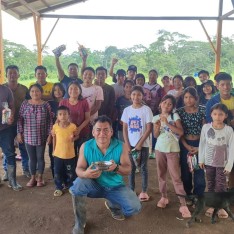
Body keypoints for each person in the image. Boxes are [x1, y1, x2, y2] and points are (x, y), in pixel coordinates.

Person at [69, 116, 141, 234]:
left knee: (134, 208)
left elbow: (128, 169)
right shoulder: (85, 146)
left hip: (115, 186)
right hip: (94, 185)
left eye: (106, 130)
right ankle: (80, 223)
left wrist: (116, 168)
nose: (102, 133)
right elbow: (79, 169)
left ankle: (112, 204)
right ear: (93, 132)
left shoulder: (121, 146)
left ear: (111, 132)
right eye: (98, 130)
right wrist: (86, 173)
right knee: (78, 186)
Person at [152, 94, 191, 218]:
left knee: (176, 177)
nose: (167, 105)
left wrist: (167, 123)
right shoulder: (155, 118)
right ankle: (164, 197)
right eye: (165, 103)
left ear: (173, 107)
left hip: (173, 150)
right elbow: (156, 135)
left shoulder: (175, 116)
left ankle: (183, 204)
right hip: (159, 149)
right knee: (161, 175)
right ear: (160, 104)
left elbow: (180, 132)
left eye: (170, 104)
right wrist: (157, 127)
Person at [199, 103, 234, 219]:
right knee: (210, 184)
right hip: (209, 161)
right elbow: (202, 144)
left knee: (221, 185)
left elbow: (232, 148)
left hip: (222, 163)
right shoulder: (206, 127)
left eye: (221, 114)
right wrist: (201, 159)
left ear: (225, 115)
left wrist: (229, 165)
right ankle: (212, 205)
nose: (217, 117)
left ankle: (221, 207)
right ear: (211, 115)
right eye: (215, 114)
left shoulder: (229, 130)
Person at [17, 84, 53, 187]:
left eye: (37, 91)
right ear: (29, 93)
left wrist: (50, 134)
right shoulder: (25, 104)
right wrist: (19, 133)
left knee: (40, 157)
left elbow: (50, 120)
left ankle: (40, 178)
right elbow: (19, 119)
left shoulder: (46, 105)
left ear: (41, 92)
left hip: (41, 136)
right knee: (31, 158)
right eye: (32, 91)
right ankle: (33, 177)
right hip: (28, 136)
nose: (34, 93)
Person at [121, 86, 153, 201]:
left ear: (142, 96)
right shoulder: (127, 110)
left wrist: (140, 144)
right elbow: (124, 128)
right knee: (131, 168)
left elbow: (149, 128)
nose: (136, 97)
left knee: (143, 167)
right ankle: (131, 190)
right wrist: (127, 144)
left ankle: (144, 191)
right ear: (130, 96)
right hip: (130, 144)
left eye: (139, 95)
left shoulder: (146, 110)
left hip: (143, 145)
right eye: (134, 94)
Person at [206, 72, 234, 189]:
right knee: (221, 165)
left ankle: (231, 189)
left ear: (231, 84)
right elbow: (209, 122)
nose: (226, 87)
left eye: (228, 84)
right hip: (221, 139)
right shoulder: (212, 102)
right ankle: (220, 192)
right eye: (222, 84)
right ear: (217, 86)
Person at [176, 87, 206, 199]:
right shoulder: (179, 112)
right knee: (185, 170)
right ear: (183, 99)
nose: (188, 100)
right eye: (186, 97)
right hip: (185, 143)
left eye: (191, 97)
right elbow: (179, 133)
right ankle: (188, 194)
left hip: (200, 142)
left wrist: (199, 147)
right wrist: (186, 145)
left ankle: (199, 195)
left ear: (196, 98)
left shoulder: (202, 110)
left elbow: (205, 130)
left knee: (199, 169)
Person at [2, 65, 30, 181]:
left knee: (24, 147)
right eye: (10, 73)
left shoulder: (24, 88)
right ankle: (7, 171)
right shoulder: (2, 88)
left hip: (22, 123)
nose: (12, 75)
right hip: (6, 125)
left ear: (18, 75)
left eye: (15, 73)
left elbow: (29, 103)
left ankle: (26, 168)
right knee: (7, 148)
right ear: (6, 75)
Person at [0, 82, 22, 191]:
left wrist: (11, 115)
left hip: (5, 128)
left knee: (10, 154)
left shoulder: (6, 90)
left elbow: (12, 106)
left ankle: (12, 181)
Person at [52, 106, 78, 197]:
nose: (63, 116)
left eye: (65, 114)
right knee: (58, 172)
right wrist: (53, 150)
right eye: (60, 114)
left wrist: (73, 138)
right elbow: (54, 138)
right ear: (57, 116)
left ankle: (71, 186)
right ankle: (59, 187)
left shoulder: (73, 126)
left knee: (71, 172)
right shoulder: (55, 127)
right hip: (58, 155)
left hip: (70, 155)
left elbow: (76, 136)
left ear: (69, 115)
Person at [59, 81, 90, 157]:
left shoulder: (84, 102)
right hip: (68, 134)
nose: (73, 91)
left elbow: (87, 119)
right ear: (67, 90)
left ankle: (81, 168)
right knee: (70, 155)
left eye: (76, 89)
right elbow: (59, 118)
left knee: (82, 155)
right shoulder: (63, 102)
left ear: (80, 91)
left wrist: (79, 129)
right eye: (71, 88)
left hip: (83, 133)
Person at [48, 83, 65, 177]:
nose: (57, 92)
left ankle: (65, 175)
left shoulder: (67, 102)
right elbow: (48, 120)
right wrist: (50, 134)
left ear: (63, 91)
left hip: (64, 133)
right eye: (55, 90)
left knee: (64, 153)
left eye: (59, 89)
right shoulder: (49, 104)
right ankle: (55, 175)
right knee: (53, 153)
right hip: (53, 132)